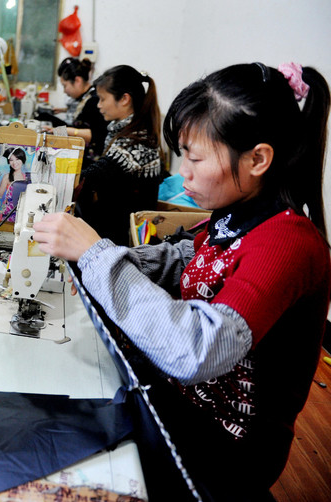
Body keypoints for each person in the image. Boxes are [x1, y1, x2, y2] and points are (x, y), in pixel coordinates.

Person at [33, 62, 330, 500]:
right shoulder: (236, 216)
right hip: (183, 405)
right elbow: (182, 258)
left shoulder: (288, 243)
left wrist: (96, 255)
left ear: (258, 158)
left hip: (225, 450)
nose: (183, 172)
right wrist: (96, 260)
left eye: (194, 157)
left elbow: (199, 349)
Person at [75, 64, 165, 245]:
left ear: (124, 99)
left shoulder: (134, 143)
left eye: (102, 99)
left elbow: (92, 176)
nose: (99, 105)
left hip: (122, 239)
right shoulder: (134, 131)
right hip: (118, 228)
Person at [39, 57, 108, 167]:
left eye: (65, 85)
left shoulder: (94, 100)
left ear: (77, 81)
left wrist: (63, 130)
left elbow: (97, 135)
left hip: (90, 158)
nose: (64, 91)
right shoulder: (85, 98)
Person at [0, 148, 28, 222]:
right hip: (8, 210)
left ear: (22, 160)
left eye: (17, 159)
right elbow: (0, 194)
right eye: (11, 160)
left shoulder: (26, 177)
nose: (14, 162)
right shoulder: (7, 177)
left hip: (22, 209)